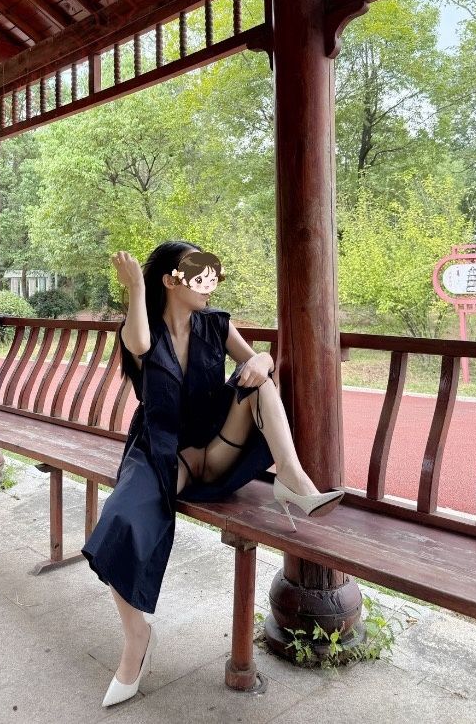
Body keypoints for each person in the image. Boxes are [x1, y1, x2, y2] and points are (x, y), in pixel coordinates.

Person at [81, 240, 343, 707]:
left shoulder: (216, 323)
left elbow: (255, 360)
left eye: (211, 275)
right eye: (199, 275)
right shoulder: (143, 328)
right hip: (164, 451)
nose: (209, 284)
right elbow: (138, 344)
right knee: (120, 521)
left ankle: (293, 478)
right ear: (170, 281)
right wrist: (135, 288)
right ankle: (137, 636)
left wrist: (261, 361)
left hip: (219, 446)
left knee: (259, 384)